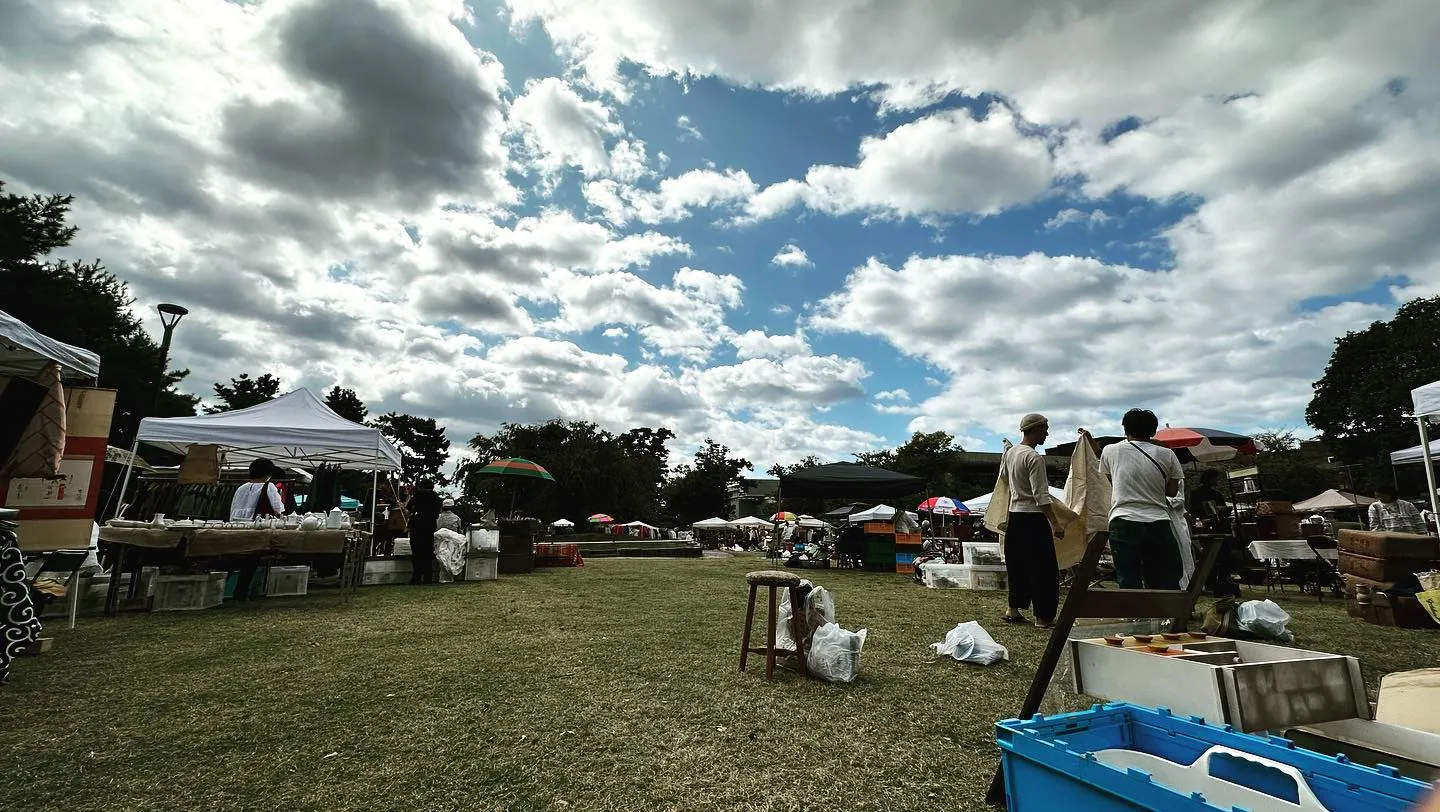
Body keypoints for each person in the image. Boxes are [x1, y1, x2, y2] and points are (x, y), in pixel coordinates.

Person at [1099, 409, 1185, 590]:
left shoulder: (1110, 450)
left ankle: (1135, 616)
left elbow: (1112, 482)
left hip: (1123, 520)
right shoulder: (1168, 454)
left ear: (1125, 429)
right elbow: (1171, 491)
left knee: (1128, 576)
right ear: (1153, 431)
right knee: (1165, 576)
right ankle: (1166, 615)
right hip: (1158, 521)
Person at [998, 413, 1064, 628]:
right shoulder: (1034, 458)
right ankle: (1043, 617)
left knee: (1017, 564)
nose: (1047, 433)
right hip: (1033, 518)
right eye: (1045, 429)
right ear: (1035, 429)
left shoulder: (1010, 454)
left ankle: (1013, 609)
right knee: (1043, 568)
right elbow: (1040, 496)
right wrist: (1055, 522)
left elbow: (1005, 480)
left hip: (1014, 516)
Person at [227, 459, 286, 601]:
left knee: (234, 559)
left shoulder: (241, 488)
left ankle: (227, 588)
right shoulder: (269, 487)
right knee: (251, 561)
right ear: (268, 474)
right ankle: (243, 592)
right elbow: (279, 508)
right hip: (257, 527)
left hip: (237, 527)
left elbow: (233, 509)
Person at [406, 481, 443, 585]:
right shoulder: (437, 499)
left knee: (417, 551)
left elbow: (408, 509)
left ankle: (416, 576)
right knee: (427, 551)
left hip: (417, 525)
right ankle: (428, 576)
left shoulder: (417, 496)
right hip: (430, 526)